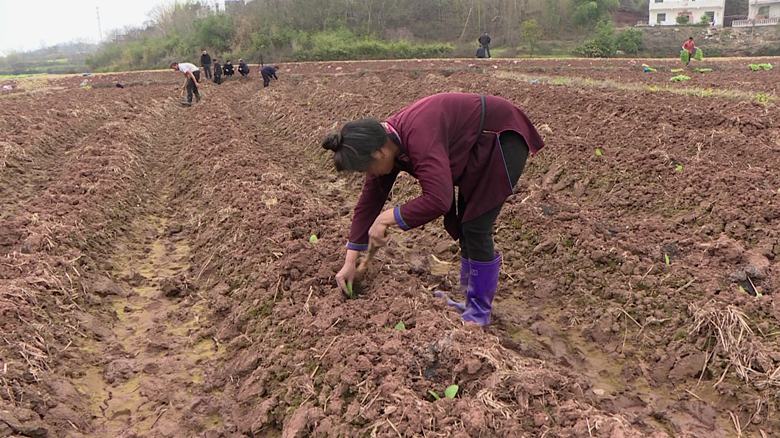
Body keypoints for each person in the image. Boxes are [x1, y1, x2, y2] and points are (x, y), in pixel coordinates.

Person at [322, 93, 544, 326]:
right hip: (476, 144)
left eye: (368, 169)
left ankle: (478, 311)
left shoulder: (418, 134)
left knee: (476, 226)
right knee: (466, 225)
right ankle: (471, 305)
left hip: (500, 138)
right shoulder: (388, 143)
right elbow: (368, 204)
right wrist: (350, 262)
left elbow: (439, 199)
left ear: (378, 153)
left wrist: (386, 218)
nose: (372, 175)